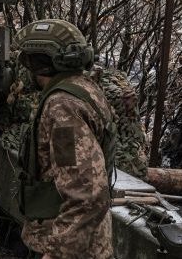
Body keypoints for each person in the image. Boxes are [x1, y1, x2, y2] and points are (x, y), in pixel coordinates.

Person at [14, 19, 115, 259]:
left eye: (28, 60)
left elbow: (87, 194)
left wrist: (59, 253)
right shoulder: (82, 87)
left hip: (69, 246)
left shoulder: (62, 106)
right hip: (79, 240)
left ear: (41, 63)